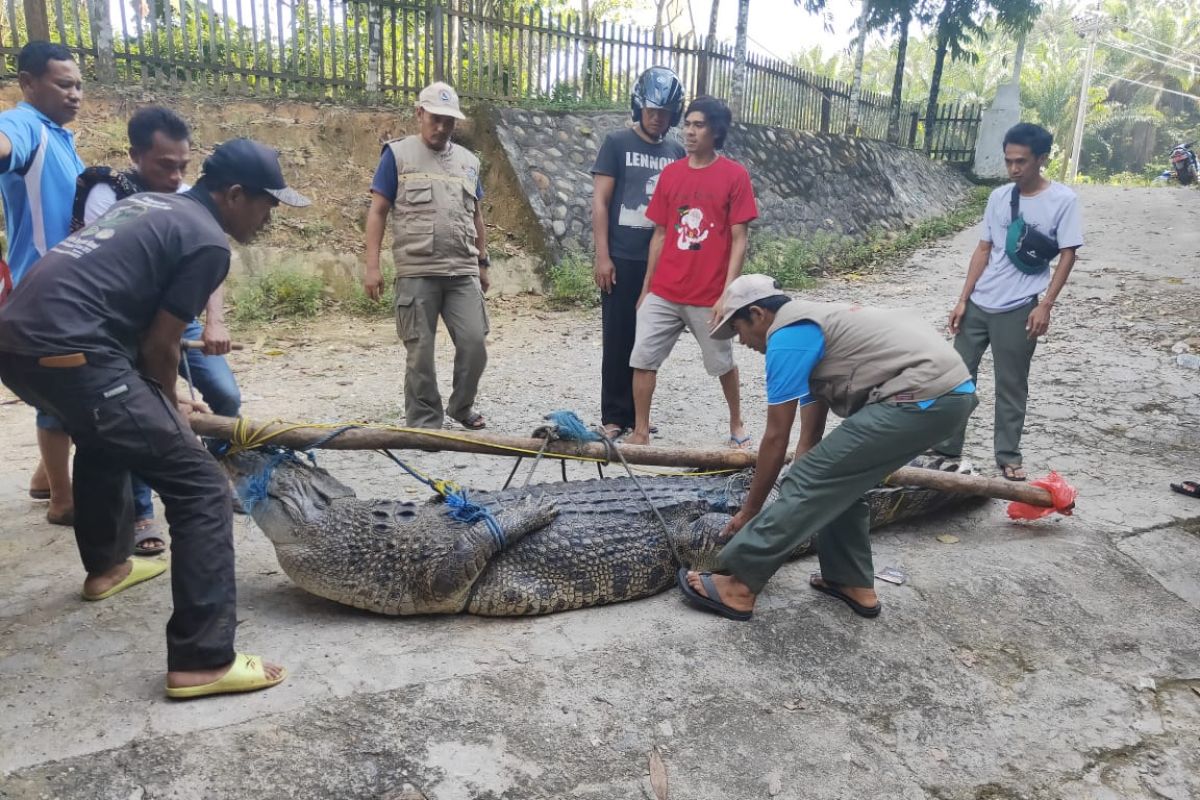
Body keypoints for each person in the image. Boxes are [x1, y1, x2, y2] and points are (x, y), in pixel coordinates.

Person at [0, 138, 309, 698]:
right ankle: (202, 660)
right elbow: (162, 347)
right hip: (77, 353)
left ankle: (108, 568)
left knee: (109, 435)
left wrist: (158, 403)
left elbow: (140, 339)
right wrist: (169, 407)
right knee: (199, 487)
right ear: (235, 195)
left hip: (18, 344)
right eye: (268, 204)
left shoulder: (144, 204)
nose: (270, 217)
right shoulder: (206, 240)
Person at [677, 274, 977, 621]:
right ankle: (851, 582)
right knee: (838, 482)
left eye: (739, 330)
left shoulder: (787, 337)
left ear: (758, 314)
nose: (741, 341)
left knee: (809, 479)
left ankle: (740, 585)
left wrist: (751, 510)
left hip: (920, 398)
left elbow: (776, 437)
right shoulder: (811, 325)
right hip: (947, 397)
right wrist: (807, 475)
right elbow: (809, 435)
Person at [75, 106, 241, 556]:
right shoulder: (111, 196)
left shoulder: (189, 199)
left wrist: (214, 319)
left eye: (183, 166)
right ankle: (143, 510)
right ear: (136, 156)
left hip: (178, 311)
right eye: (164, 166)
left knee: (224, 396)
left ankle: (218, 477)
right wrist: (169, 404)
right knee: (137, 417)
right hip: (125, 320)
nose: (174, 177)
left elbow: (209, 263)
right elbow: (105, 276)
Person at [932, 122, 1083, 482]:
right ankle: (946, 447)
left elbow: (1067, 255)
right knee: (956, 378)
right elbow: (984, 248)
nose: (1014, 168)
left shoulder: (1063, 201)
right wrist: (962, 300)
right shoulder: (999, 197)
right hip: (979, 304)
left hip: (1019, 308)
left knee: (1011, 384)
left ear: (1042, 159)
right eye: (1008, 161)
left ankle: (1008, 456)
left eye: (1022, 161)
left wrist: (1045, 304)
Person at [624, 95, 757, 449]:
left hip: (709, 295)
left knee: (722, 363)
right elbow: (661, 234)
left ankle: (736, 423)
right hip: (665, 291)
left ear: (716, 131)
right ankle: (640, 431)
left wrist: (728, 293)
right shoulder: (670, 174)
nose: (690, 132)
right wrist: (646, 289)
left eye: (699, 125)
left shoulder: (735, 176)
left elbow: (739, 238)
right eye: (688, 124)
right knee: (643, 359)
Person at [363, 81, 491, 431]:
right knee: (420, 351)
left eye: (449, 121)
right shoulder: (398, 155)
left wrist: (483, 261)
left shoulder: (468, 162)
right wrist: (372, 266)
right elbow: (377, 212)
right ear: (420, 113)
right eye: (435, 118)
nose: (441, 127)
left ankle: (461, 406)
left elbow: (476, 214)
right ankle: (424, 420)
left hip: (462, 269)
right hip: (417, 269)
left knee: (474, 342)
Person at [0, 41, 84, 525]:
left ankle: (43, 477)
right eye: (62, 84)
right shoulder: (25, 125)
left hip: (66, 289)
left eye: (78, 86)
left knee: (70, 383)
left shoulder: (60, 138)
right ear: (28, 84)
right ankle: (63, 500)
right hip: (43, 292)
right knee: (64, 385)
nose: (74, 94)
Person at [590, 66, 685, 439]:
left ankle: (639, 417)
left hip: (658, 263)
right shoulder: (616, 144)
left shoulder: (676, 151)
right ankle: (614, 416)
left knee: (648, 339)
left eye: (664, 112)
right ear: (638, 108)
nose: (657, 118)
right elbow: (600, 202)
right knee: (618, 337)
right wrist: (602, 255)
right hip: (621, 257)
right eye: (651, 111)